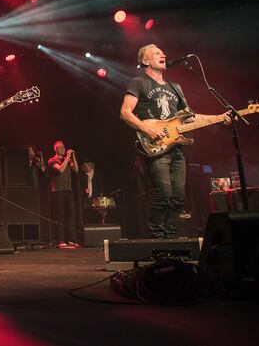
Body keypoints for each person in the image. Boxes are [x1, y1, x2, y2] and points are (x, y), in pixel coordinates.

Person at [120, 44, 230, 239]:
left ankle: (170, 238)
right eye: (156, 53)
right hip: (156, 146)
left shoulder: (175, 88)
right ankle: (157, 239)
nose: (163, 54)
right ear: (145, 61)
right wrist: (148, 129)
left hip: (176, 147)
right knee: (163, 193)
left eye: (163, 52)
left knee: (178, 197)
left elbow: (189, 117)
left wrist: (219, 117)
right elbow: (125, 113)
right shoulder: (138, 82)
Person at [48, 140, 80, 248]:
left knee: (71, 214)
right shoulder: (52, 160)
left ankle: (71, 239)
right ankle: (60, 240)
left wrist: (73, 157)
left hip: (68, 190)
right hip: (58, 191)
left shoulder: (68, 159)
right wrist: (67, 157)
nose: (63, 149)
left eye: (64, 147)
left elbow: (75, 169)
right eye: (61, 148)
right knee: (60, 215)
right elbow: (60, 170)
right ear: (56, 149)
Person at [78, 160, 102, 225]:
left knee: (95, 215)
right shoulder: (82, 175)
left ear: (91, 166)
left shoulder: (97, 174)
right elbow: (79, 186)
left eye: (87, 166)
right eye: (84, 166)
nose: (86, 168)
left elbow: (100, 186)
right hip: (85, 199)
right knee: (86, 215)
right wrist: (84, 190)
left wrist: (100, 197)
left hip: (95, 198)